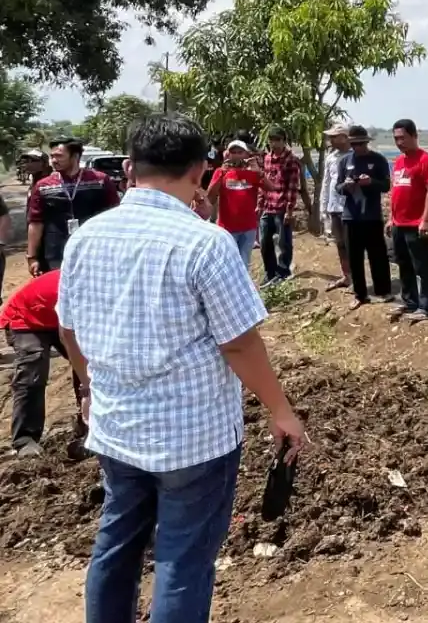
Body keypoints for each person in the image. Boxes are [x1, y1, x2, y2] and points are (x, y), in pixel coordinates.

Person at [56, 114, 307, 623]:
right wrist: (282, 411)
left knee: (115, 545)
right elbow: (239, 344)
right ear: (200, 171)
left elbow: (68, 329)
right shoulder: (205, 242)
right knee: (183, 559)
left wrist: (87, 387)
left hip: (116, 427)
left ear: (130, 168)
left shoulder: (86, 238)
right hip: (192, 438)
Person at [2, 269, 86, 457]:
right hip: (28, 317)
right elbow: (68, 337)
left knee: (91, 364)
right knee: (34, 365)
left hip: (62, 319)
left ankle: (88, 428)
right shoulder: (82, 286)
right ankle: (25, 439)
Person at [27, 137, 120, 275]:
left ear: (75, 156)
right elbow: (35, 222)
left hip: (94, 252)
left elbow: (115, 216)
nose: (53, 160)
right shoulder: (43, 186)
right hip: (55, 254)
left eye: (59, 156)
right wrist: (32, 257)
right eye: (52, 156)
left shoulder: (100, 180)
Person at [337, 125, 393, 310]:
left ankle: (383, 290)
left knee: (378, 254)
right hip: (351, 216)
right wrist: (346, 185)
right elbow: (337, 187)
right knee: (354, 256)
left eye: (361, 143)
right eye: (354, 144)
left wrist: (371, 182)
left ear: (367, 142)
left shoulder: (378, 160)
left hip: (372, 216)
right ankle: (360, 294)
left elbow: (386, 185)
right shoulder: (345, 161)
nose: (358, 147)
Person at [389, 119, 428, 320]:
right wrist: (390, 218)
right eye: (396, 139)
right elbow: (396, 192)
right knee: (404, 265)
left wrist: (425, 219)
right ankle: (410, 303)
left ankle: (427, 307)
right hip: (398, 223)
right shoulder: (399, 161)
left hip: (416, 224)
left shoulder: (426, 161)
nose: (399, 142)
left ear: (414, 136)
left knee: (422, 266)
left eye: (403, 138)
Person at [206, 139, 263, 267]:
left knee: (243, 263)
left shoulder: (252, 173)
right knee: (228, 264)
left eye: (240, 152)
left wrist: (258, 171)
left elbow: (269, 187)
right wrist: (221, 174)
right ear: (228, 155)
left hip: (248, 228)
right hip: (227, 229)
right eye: (233, 152)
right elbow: (210, 197)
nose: (237, 155)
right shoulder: (220, 172)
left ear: (247, 155)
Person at [258, 126, 301, 283]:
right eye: (272, 140)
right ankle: (270, 273)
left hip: (282, 206)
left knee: (284, 243)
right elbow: (263, 182)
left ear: (284, 141)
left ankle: (283, 272)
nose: (274, 143)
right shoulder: (267, 158)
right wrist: (260, 203)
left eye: (278, 140)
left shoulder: (291, 160)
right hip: (268, 206)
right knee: (264, 242)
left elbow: (292, 186)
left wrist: (290, 210)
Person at [318, 123, 354, 291]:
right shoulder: (331, 157)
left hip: (351, 208)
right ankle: (346, 276)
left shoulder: (356, 155)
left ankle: (357, 280)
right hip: (334, 207)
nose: (330, 140)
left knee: (352, 244)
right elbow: (326, 184)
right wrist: (323, 207)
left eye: (334, 136)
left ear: (345, 137)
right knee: (340, 244)